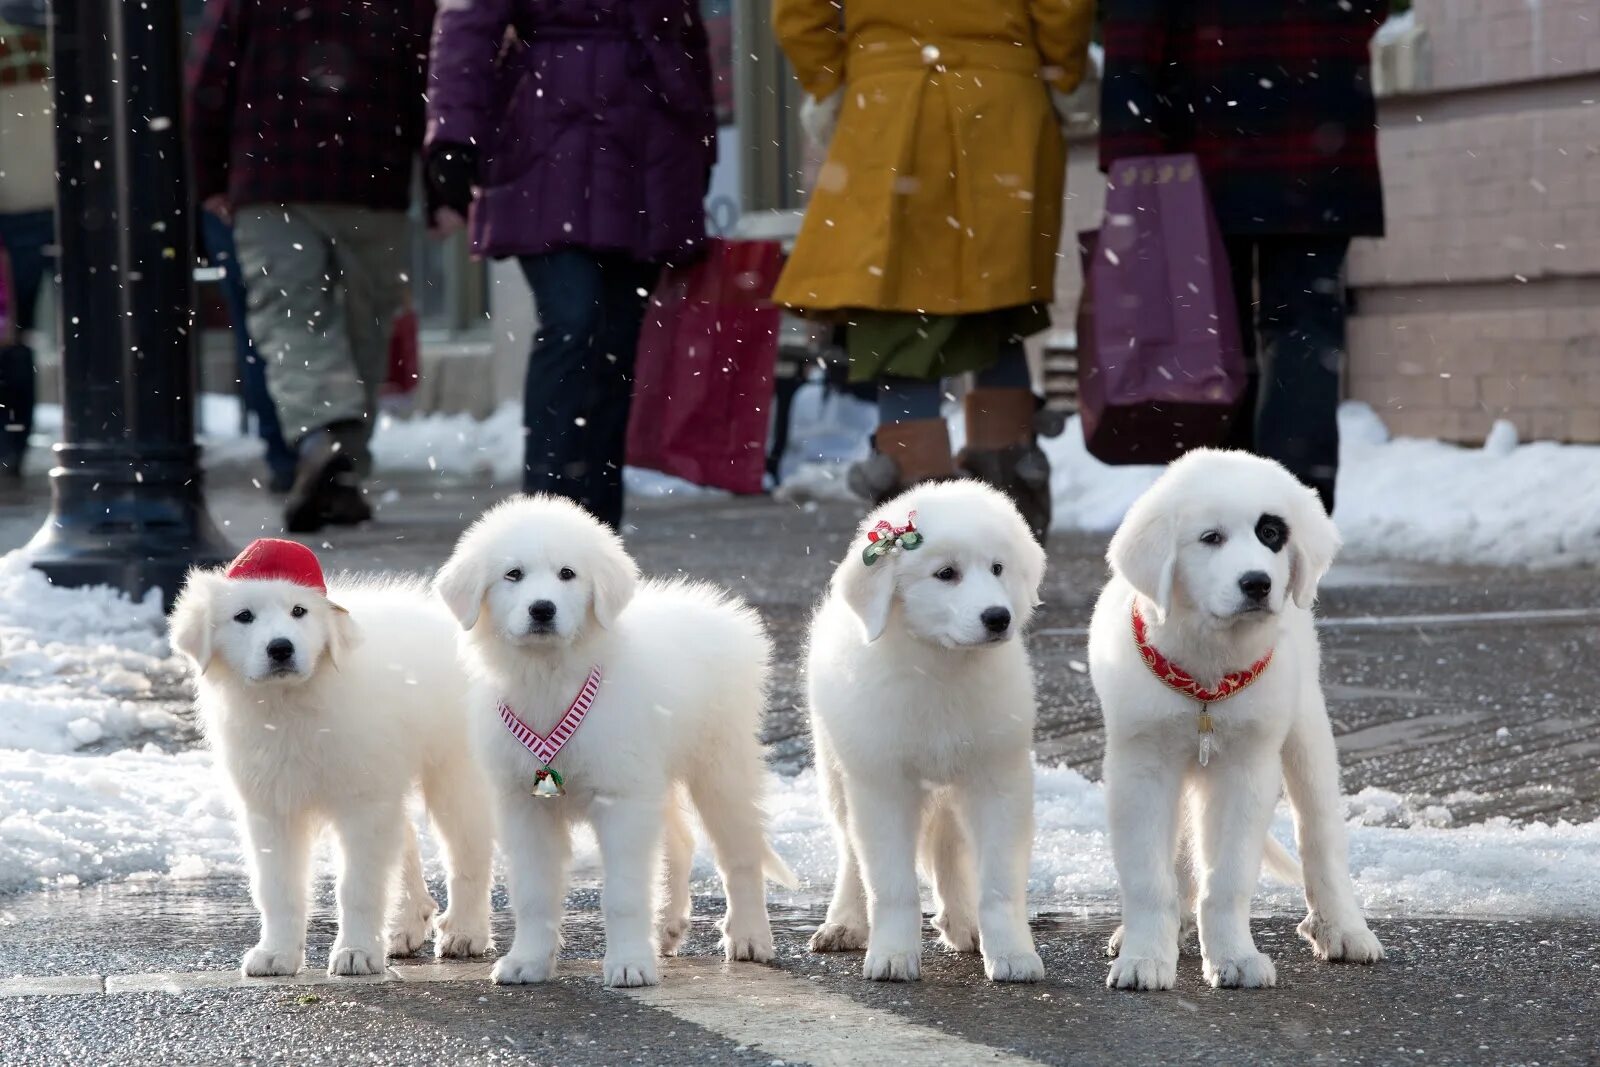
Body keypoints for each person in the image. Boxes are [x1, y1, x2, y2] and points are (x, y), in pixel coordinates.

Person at [772, 0, 1094, 539]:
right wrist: (1061, 71)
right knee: (997, 310)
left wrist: (842, 78)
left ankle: (921, 523)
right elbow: (1063, 9)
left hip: (888, 109)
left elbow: (800, 14)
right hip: (1002, 107)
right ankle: (1009, 518)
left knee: (898, 315)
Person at [425, 0, 716, 533]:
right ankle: (548, 511)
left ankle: (597, 524)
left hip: (647, 148)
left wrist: (699, 148)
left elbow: (687, 40)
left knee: (617, 343)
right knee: (574, 321)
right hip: (550, 138)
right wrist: (453, 132)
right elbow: (467, 27)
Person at [1100, 0, 1387, 515]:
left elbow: (1133, 24)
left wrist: (1130, 140)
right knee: (1304, 330)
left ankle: (1226, 517)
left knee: (1210, 339)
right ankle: (1289, 520)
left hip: (1201, 129)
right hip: (1318, 122)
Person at [187, 0, 437, 533]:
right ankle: (343, 470)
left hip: (273, 177)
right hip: (374, 177)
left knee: (291, 319)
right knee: (364, 326)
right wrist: (441, 187)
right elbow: (432, 85)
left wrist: (209, 179)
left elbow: (208, 87)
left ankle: (323, 436)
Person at [0, 5, 53, 483]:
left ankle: (11, 442)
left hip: (12, 207)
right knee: (102, 330)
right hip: (70, 203)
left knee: (11, 337)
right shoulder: (59, 40)